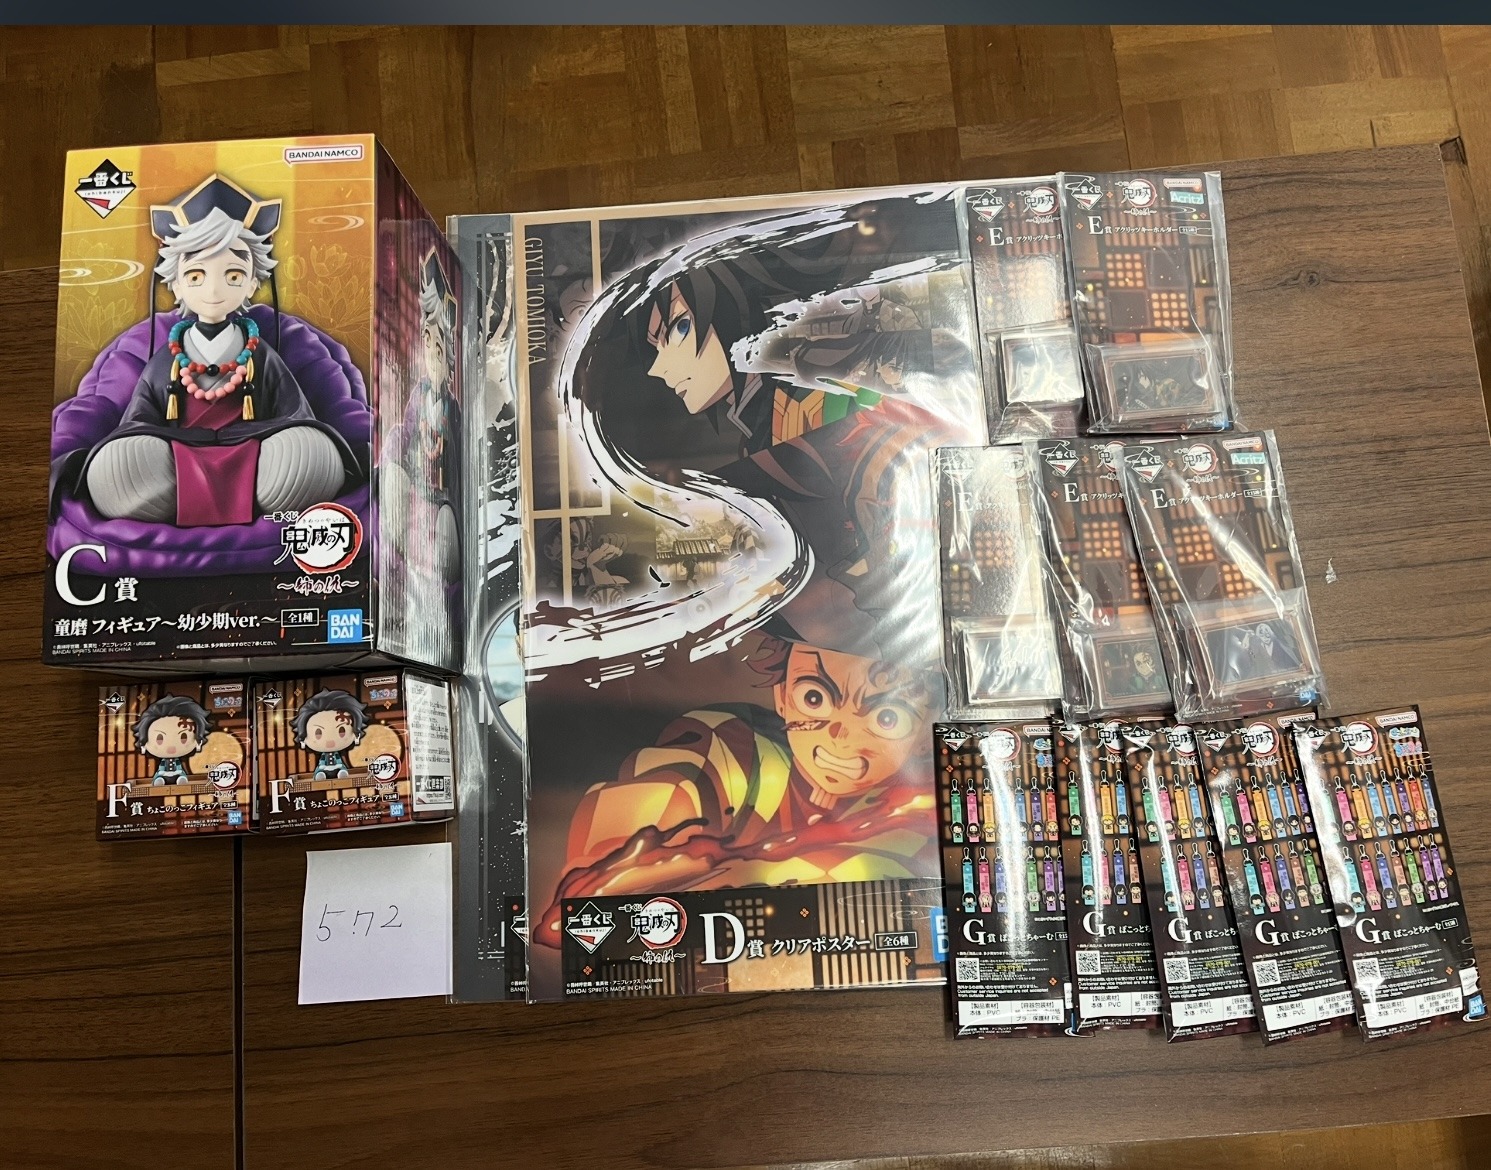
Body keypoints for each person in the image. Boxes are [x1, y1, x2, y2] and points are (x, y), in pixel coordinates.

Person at [542, 634, 938, 930]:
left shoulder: (924, 808)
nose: (840, 735)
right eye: (814, 697)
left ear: (925, 732)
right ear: (781, 694)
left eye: (887, 717)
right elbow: (596, 887)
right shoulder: (729, 747)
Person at [61, 174, 359, 528]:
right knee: (115, 466)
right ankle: (179, 501)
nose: (214, 290)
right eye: (196, 276)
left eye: (233, 276)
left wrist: (295, 443)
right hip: (176, 455)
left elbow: (294, 413)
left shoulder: (258, 352)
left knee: (312, 452)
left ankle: (246, 498)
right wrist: (135, 449)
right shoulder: (167, 357)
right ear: (175, 284)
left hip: (256, 455)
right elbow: (139, 419)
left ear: (253, 281)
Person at [292, 689, 369, 780]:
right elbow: (321, 762)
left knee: (342, 768)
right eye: (318, 733)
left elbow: (339, 761)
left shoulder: (337, 755)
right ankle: (320, 775)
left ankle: (341, 773)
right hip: (323, 768)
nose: (330, 741)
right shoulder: (323, 756)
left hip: (337, 767)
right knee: (320, 771)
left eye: (341, 731)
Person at [134, 694, 209, 785]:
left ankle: (180, 780)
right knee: (159, 776)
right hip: (163, 774)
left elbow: (179, 768)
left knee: (181, 775)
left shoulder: (177, 762)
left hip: (177, 773)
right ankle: (160, 780)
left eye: (183, 737)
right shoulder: (163, 762)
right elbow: (161, 769)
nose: (171, 747)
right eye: (160, 739)